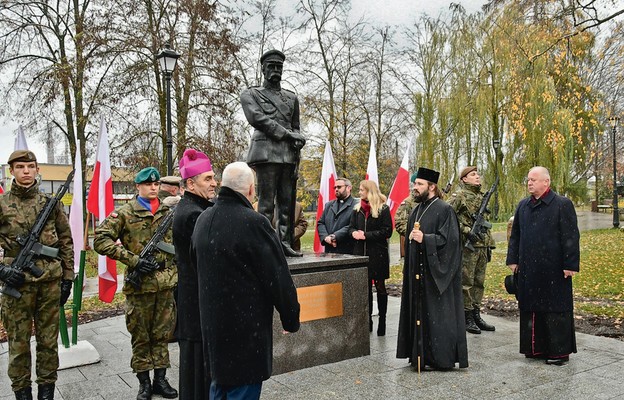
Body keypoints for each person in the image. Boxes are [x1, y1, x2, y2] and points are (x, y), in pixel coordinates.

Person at [191, 162, 300, 400]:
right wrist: (290, 318)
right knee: (242, 391)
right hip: (245, 334)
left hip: (214, 329)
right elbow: (277, 277)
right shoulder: (254, 222)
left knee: (219, 390)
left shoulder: (203, 219)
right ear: (251, 189)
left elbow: (194, 265)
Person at [94, 167, 178, 400]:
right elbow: (100, 240)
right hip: (139, 286)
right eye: (148, 184)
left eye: (155, 184)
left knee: (162, 334)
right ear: (137, 187)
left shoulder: (167, 211)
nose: (153, 187)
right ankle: (144, 383)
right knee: (140, 335)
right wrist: (132, 260)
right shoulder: (124, 213)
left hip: (164, 285)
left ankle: (160, 379)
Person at [0, 150, 74, 400]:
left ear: (37, 169)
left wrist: (68, 277)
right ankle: (22, 395)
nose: (26, 171)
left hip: (49, 284)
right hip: (17, 286)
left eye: (31, 166)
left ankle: (46, 394)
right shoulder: (2, 203)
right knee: (19, 346)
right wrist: (2, 271)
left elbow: (65, 240)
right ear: (12, 171)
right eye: (20, 167)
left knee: (48, 343)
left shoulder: (49, 203)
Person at [506, 166, 580, 365]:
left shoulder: (562, 204)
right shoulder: (523, 206)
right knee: (531, 307)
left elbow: (571, 236)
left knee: (555, 308)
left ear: (546, 182)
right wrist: (513, 260)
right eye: (528, 179)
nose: (529, 183)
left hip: (555, 268)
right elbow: (516, 236)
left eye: (534, 179)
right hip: (529, 268)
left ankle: (558, 352)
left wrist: (570, 264)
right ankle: (535, 348)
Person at [396, 167, 468, 371]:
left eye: (419, 184)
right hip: (418, 273)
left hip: (435, 275)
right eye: (414, 184)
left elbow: (452, 242)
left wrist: (426, 239)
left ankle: (440, 358)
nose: (414, 188)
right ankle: (420, 354)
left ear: (432, 186)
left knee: (437, 318)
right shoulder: (416, 210)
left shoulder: (445, 210)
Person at [240, 49, 306, 257]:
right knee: (266, 204)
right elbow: (257, 119)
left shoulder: (291, 97)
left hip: (288, 155)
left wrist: (299, 137)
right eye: (272, 66)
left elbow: (296, 126)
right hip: (266, 153)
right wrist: (288, 135)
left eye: (279, 66)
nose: (276, 70)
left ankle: (284, 243)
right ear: (263, 69)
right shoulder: (251, 94)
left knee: (286, 204)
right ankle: (263, 245)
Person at [172, 149, 217, 400]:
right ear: (190, 183)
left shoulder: (197, 208)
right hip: (197, 304)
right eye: (207, 179)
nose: (214, 183)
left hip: (196, 302)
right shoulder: (194, 214)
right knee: (197, 372)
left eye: (213, 177)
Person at [449, 166, 496, 334]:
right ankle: (466, 316)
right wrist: (467, 230)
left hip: (482, 245)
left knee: (479, 282)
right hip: (468, 245)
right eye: (473, 175)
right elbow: (448, 217)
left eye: (477, 174)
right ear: (464, 179)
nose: (477, 177)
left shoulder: (481, 196)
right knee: (466, 282)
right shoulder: (459, 195)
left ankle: (476, 313)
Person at [349, 180, 392, 336]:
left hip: (378, 254)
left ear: (369, 191)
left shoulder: (383, 209)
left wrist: (365, 235)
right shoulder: (356, 209)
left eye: (362, 190)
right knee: (365, 289)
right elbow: (351, 228)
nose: (359, 192)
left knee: (380, 287)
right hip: (361, 254)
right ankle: (368, 320)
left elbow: (387, 231)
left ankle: (382, 320)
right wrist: (354, 233)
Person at [317, 177, 358, 254]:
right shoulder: (329, 205)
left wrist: (335, 236)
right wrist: (326, 237)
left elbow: (352, 225)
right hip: (329, 249)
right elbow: (321, 223)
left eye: (339, 187)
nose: (336, 189)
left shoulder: (356, 205)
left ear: (348, 188)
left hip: (347, 250)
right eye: (335, 187)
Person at [394, 173, 419, 258]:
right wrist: (412, 233)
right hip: (413, 245)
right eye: (417, 183)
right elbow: (400, 222)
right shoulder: (408, 202)